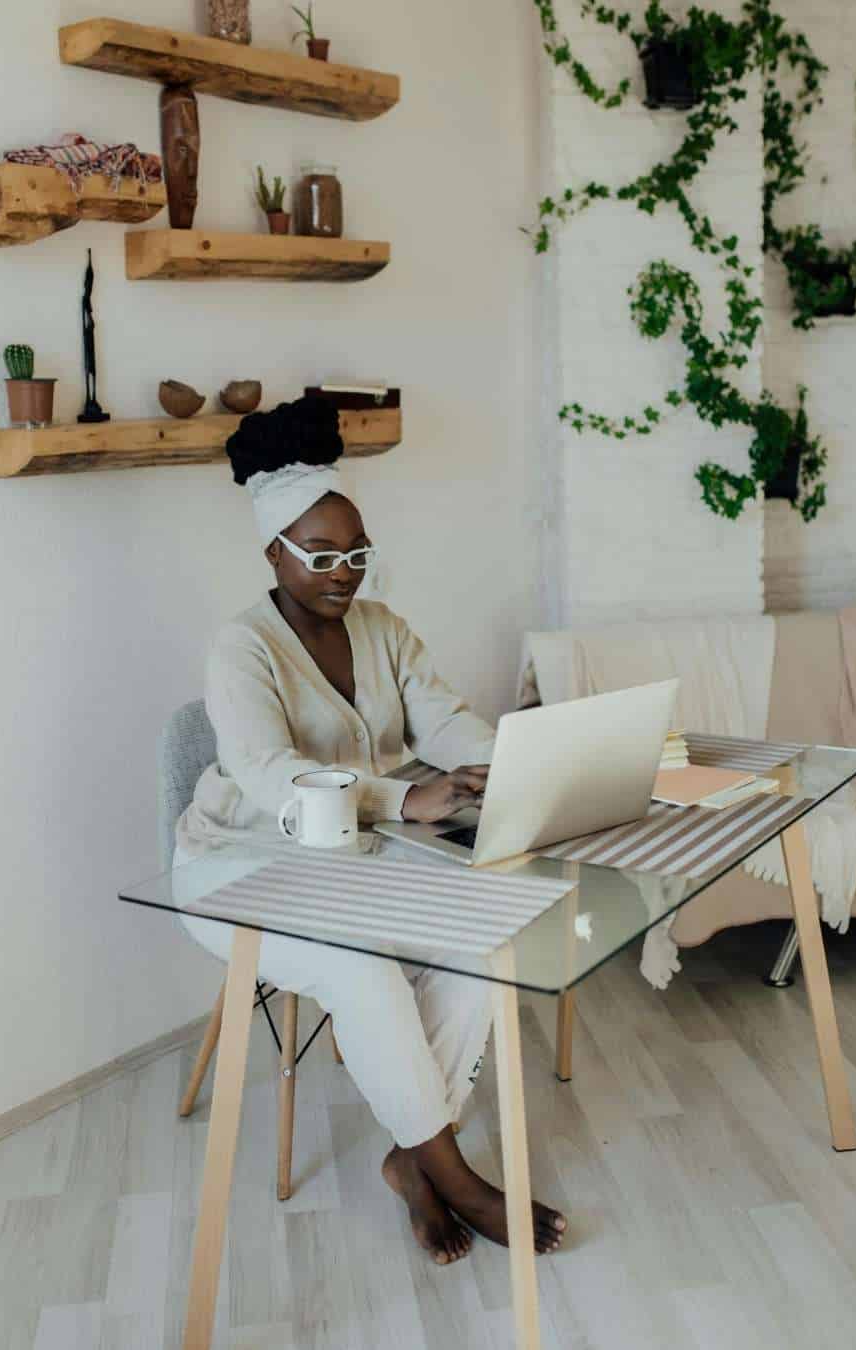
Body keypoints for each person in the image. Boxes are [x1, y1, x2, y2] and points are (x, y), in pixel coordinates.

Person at [175, 396, 566, 1265]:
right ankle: (452, 1173)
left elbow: (450, 724)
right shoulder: (239, 648)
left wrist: (531, 757)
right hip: (238, 868)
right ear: (273, 551)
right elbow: (270, 776)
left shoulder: (383, 629)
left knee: (480, 939)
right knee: (365, 966)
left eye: (356, 553)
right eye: (321, 555)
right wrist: (400, 798)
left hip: (352, 864)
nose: (343, 571)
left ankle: (409, 1157)